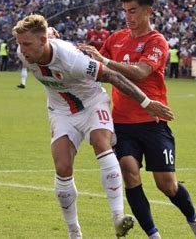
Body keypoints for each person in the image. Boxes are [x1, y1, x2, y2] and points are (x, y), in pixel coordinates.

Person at [12, 14, 174, 239]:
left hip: (91, 104)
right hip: (61, 111)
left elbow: (113, 77)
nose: (22, 49)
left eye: (27, 44)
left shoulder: (72, 59)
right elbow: (43, 39)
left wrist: (146, 102)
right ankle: (74, 232)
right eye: (20, 44)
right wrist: (45, 35)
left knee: (101, 143)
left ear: (42, 41)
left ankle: (118, 217)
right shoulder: (25, 52)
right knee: (62, 167)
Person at [79, 0, 196, 239]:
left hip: (153, 121)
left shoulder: (157, 41)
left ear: (148, 11)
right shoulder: (115, 39)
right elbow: (95, 69)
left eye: (133, 11)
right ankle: (153, 235)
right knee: (129, 172)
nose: (128, 17)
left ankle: (195, 221)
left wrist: (105, 61)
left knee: (167, 185)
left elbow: (140, 72)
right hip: (122, 124)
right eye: (125, 11)